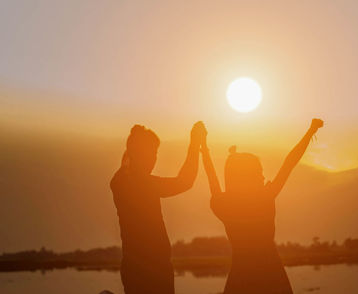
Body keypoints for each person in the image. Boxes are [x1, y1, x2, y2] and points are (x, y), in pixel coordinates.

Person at [200, 118, 324, 294]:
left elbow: (211, 176)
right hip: (272, 277)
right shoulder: (265, 197)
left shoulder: (223, 205)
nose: (263, 177)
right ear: (247, 177)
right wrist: (310, 131)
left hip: (239, 278)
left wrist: (203, 147)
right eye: (259, 173)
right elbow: (290, 162)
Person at [110, 122, 206, 294]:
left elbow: (127, 160)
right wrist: (194, 143)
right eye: (151, 153)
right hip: (153, 270)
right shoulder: (144, 184)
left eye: (155, 154)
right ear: (139, 155)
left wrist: (135, 139)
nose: (154, 159)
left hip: (137, 268)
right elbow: (185, 181)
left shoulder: (118, 181)